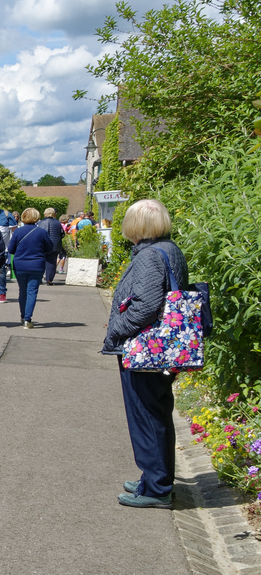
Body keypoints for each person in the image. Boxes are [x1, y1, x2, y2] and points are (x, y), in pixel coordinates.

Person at [101, 199, 187, 508]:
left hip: (146, 350)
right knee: (158, 412)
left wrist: (115, 329)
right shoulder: (169, 249)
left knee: (146, 416)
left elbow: (146, 306)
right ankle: (157, 478)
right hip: (162, 348)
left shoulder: (150, 255)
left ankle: (156, 487)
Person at [8, 208, 55, 329]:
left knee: (22, 291)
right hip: (36, 265)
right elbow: (50, 248)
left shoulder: (18, 232)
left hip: (20, 265)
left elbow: (11, 249)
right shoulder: (41, 232)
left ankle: (23, 316)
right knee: (32, 292)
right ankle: (28, 319)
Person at [38, 207, 66, 285]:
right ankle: (49, 280)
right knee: (51, 262)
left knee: (41, 261)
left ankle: (39, 279)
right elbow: (62, 234)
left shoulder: (41, 223)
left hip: (42, 244)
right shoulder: (57, 223)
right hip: (54, 245)